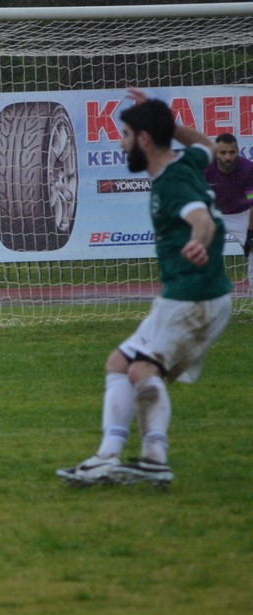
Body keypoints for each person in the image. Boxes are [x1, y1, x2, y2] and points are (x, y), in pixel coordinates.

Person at [56, 88, 232, 488]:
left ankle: (154, 459)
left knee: (142, 370)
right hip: (182, 296)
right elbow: (206, 145)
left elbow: (201, 219)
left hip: (195, 299)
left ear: (145, 140)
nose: (122, 144)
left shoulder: (172, 184)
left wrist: (198, 242)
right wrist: (167, 122)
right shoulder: (187, 161)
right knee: (119, 364)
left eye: (126, 135)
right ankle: (107, 457)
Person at [202, 132, 253, 292]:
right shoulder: (204, 168)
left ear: (237, 151)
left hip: (242, 214)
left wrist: (251, 233)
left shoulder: (248, 169)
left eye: (232, 152)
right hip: (213, 214)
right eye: (223, 153)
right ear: (215, 153)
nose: (228, 157)